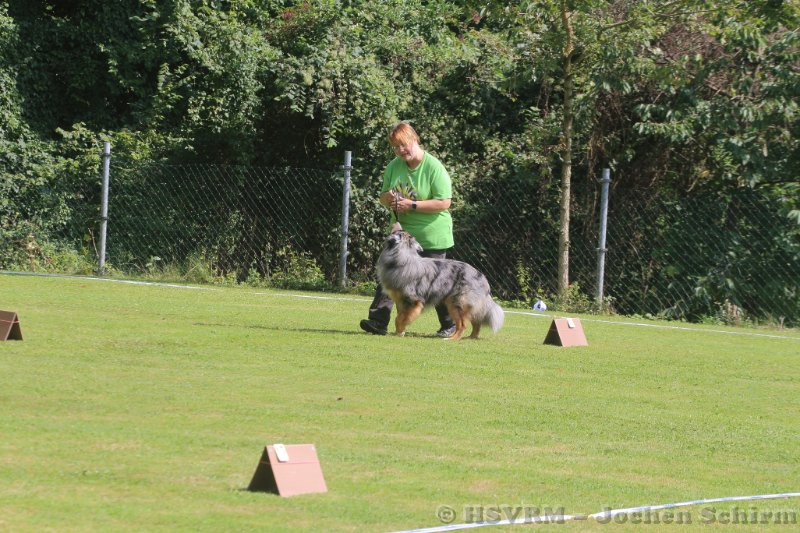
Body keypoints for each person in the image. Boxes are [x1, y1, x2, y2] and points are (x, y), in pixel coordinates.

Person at [360, 122, 457, 337]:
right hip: (401, 234)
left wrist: (412, 205)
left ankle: (449, 325)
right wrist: (388, 199)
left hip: (431, 234)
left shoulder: (433, 167)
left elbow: (444, 202)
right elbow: (383, 196)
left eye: (404, 145)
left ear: (415, 139)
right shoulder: (394, 166)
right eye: (396, 147)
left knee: (436, 283)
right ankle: (378, 322)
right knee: (389, 274)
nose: (401, 150)